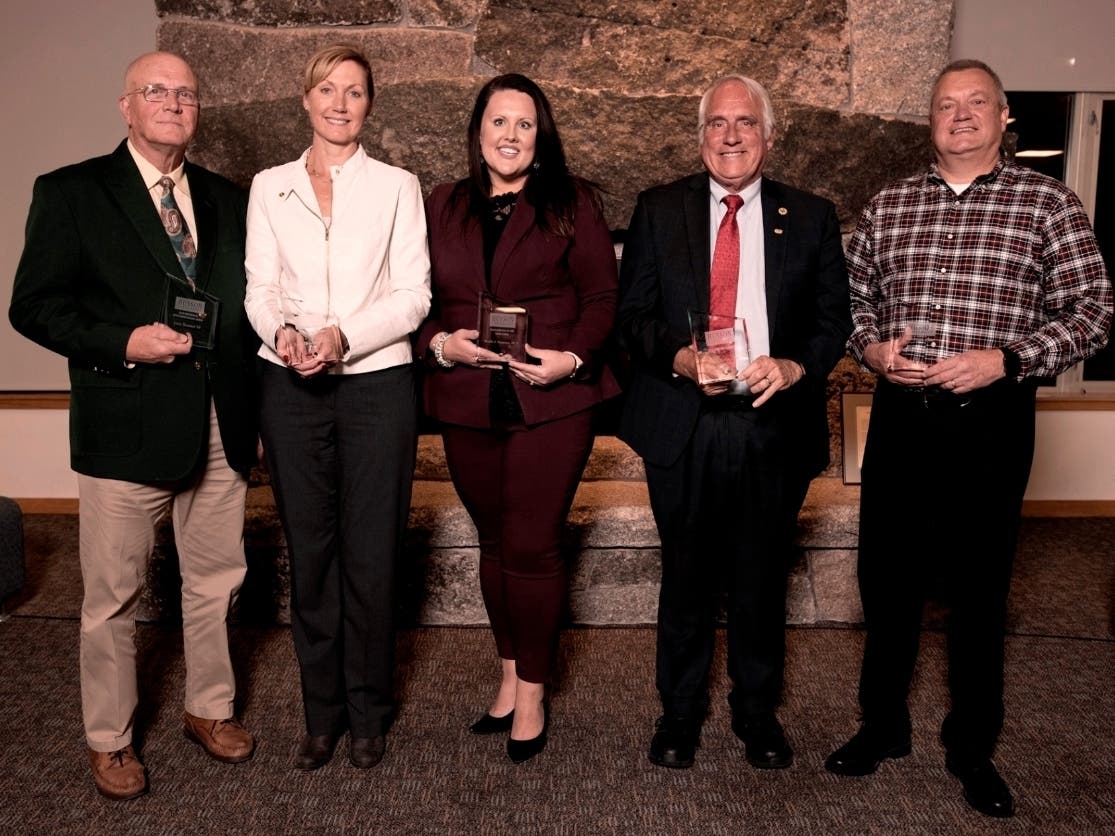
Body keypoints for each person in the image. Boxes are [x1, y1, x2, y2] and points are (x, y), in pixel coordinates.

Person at [825, 59, 1112, 818]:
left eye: (974, 103)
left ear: (1002, 115)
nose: (959, 115)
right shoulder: (888, 205)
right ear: (930, 120)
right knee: (884, 583)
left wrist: (1006, 359)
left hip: (989, 421)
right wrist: (872, 349)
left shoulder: (1046, 202)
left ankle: (971, 748)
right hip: (900, 420)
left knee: (978, 593)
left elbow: (1093, 311)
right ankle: (880, 727)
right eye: (945, 104)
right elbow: (853, 298)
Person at [8, 51, 259, 800]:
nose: (173, 103)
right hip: (125, 425)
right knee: (112, 595)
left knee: (216, 582)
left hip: (219, 420)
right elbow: (34, 306)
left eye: (185, 93)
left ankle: (209, 710)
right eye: (157, 91)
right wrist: (123, 342)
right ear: (126, 105)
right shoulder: (71, 193)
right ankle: (110, 739)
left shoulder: (228, 199)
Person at [616, 75, 851, 771]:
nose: (729, 135)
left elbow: (831, 321)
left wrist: (794, 367)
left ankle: (756, 715)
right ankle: (679, 715)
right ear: (700, 136)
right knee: (685, 578)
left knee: (758, 577)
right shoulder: (659, 210)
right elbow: (631, 321)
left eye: (743, 122)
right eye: (716, 123)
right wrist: (681, 359)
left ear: (768, 136)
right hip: (684, 422)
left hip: (769, 422)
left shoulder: (809, 216)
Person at [416, 73, 620, 764]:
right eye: (498, 122)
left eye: (524, 124)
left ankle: (533, 690)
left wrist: (572, 359)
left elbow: (600, 297)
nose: (509, 135)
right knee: (494, 543)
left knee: (532, 544)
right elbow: (413, 299)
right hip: (468, 398)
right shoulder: (441, 203)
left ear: (541, 136)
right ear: (477, 131)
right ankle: (506, 674)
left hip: (550, 398)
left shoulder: (573, 202)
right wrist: (438, 345)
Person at [243, 44, 430, 772]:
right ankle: (320, 714)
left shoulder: (396, 186)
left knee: (372, 554)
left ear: (369, 105)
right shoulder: (269, 185)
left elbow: (413, 295)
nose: (340, 103)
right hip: (289, 388)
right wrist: (284, 334)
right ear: (306, 99)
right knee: (311, 555)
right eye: (327, 89)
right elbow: (259, 288)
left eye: (354, 92)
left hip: (376, 384)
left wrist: (341, 336)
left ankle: (368, 711)